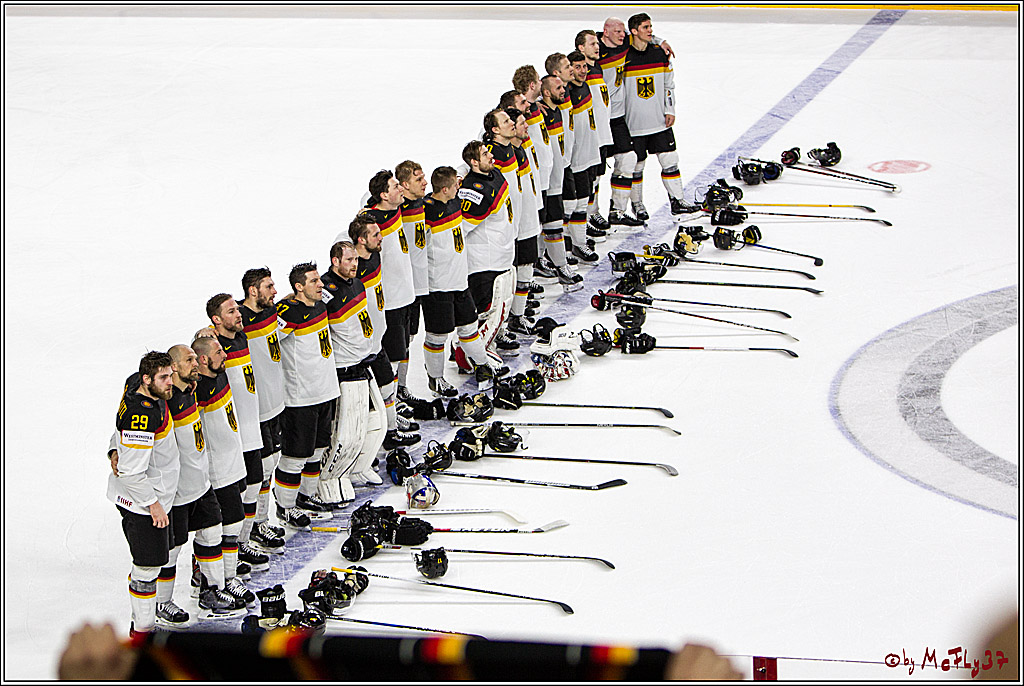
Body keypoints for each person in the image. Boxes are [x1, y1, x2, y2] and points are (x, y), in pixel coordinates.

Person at [164, 344, 243, 618]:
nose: (196, 364)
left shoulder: (191, 390)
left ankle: (210, 590)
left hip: (201, 482)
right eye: (189, 360)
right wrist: (114, 449)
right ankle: (163, 603)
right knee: (172, 549)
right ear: (174, 367)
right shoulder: (164, 400)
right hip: (175, 491)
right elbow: (129, 423)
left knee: (212, 532)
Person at [107, 351, 180, 636]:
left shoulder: (134, 384)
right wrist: (154, 506)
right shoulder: (142, 414)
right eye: (163, 378)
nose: (169, 383)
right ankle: (143, 632)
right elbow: (132, 473)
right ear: (147, 379)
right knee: (146, 569)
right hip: (141, 505)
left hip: (154, 497)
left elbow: (117, 427)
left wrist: (114, 448)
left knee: (153, 564)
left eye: (170, 375)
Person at [422, 164, 509, 394]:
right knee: (437, 336)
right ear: (444, 189)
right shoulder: (424, 212)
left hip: (460, 281)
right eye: (455, 186)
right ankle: (436, 378)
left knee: (469, 328)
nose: (459, 188)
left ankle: (482, 365)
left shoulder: (455, 202)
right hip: (438, 286)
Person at [272, 262, 344, 521]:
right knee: (295, 455)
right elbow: (269, 341)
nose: (321, 284)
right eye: (314, 281)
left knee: (317, 449)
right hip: (300, 397)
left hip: (326, 390)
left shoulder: (321, 305)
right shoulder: (288, 313)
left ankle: (306, 495)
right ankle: (285, 506)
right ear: (299, 287)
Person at [189, 335, 256, 609]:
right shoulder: (195, 390)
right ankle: (212, 585)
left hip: (233, 461)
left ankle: (228, 579)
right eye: (218, 352)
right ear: (203, 359)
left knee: (233, 525)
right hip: (216, 471)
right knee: (219, 529)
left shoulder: (220, 372)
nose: (224, 355)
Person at [205, 294, 269, 575]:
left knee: (255, 483)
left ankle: (243, 541)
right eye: (231, 311)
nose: (238, 314)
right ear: (216, 320)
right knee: (235, 497)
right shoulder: (213, 351)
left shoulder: (240, 337)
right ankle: (224, 553)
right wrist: (202, 333)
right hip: (234, 435)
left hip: (251, 425)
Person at [346, 215, 422, 451]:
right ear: (361, 239)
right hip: (360, 348)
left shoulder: (375, 255)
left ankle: (391, 432)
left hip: (377, 339)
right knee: (366, 400)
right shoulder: (351, 272)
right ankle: (368, 445)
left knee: (388, 386)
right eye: (375, 234)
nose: (382, 237)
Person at [360, 170, 424, 441]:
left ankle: (401, 392)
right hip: (391, 300)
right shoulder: (371, 222)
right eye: (395, 186)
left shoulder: (395, 209)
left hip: (407, 292)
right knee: (393, 355)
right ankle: (391, 405)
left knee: (406, 344)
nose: (401, 189)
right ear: (384, 195)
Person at [320, 238, 387, 492]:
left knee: (377, 423)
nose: (354, 264)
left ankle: (360, 466)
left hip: (364, 362)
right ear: (335, 261)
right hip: (344, 369)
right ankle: (331, 477)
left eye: (355, 259)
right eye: (349, 260)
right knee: (345, 432)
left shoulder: (357, 283)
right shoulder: (325, 291)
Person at [596, 16, 675, 224]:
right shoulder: (598, 52)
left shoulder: (625, 48)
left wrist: (659, 40)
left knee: (629, 160)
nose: (621, 36)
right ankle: (591, 214)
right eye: (617, 32)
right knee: (594, 172)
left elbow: (642, 39)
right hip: (600, 119)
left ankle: (617, 212)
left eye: (623, 32)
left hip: (619, 117)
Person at [623, 13, 701, 219]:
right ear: (633, 31)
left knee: (670, 160)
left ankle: (677, 200)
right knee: (636, 166)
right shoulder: (622, 55)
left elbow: (669, 84)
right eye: (645, 27)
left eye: (651, 27)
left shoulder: (659, 53)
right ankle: (637, 205)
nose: (650, 30)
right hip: (633, 123)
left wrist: (670, 110)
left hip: (659, 119)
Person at [238, 268, 288, 554]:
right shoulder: (239, 319)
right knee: (257, 475)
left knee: (269, 469)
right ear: (253, 290)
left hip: (275, 405)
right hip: (255, 413)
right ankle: (250, 530)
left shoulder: (271, 313)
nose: (274, 291)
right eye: (269, 286)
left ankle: (261, 521)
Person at [459, 139, 517, 362]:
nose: (491, 156)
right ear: (474, 162)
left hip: (501, 257)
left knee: (498, 311)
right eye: (485, 154)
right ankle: (469, 356)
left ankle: (486, 345)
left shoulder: (494, 174)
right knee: (485, 313)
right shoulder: (473, 192)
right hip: (484, 264)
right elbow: (461, 228)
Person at [537, 73, 584, 290]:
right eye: (558, 88)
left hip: (558, 175)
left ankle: (555, 262)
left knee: (553, 223)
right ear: (546, 92)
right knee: (546, 225)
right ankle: (559, 266)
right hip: (544, 182)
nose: (563, 90)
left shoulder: (556, 110)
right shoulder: (539, 114)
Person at [395, 159, 432, 412]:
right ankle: (392, 394)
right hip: (399, 289)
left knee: (409, 338)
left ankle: (402, 388)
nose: (425, 183)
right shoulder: (395, 210)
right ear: (404, 184)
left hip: (418, 286)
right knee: (397, 342)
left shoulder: (421, 203)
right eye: (419, 179)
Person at [505, 107, 544, 336]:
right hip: (515, 226)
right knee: (511, 274)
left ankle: (518, 316)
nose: (526, 126)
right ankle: (506, 320)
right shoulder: (501, 154)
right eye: (521, 123)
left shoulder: (521, 148)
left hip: (529, 219)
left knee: (526, 268)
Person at [575, 29, 614, 233]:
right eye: (592, 44)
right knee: (588, 179)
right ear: (581, 48)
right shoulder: (579, 73)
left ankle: (593, 211)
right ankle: (586, 218)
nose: (597, 47)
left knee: (597, 177)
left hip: (602, 134)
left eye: (597, 43)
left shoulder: (596, 67)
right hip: (590, 136)